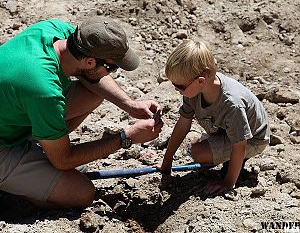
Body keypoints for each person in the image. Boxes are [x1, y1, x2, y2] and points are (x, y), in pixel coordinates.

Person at [0, 16, 163, 209]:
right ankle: (15, 188)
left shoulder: (55, 30)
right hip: (4, 145)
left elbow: (94, 79)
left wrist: (129, 104)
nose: (110, 73)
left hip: (12, 112)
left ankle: (45, 144)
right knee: (81, 193)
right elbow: (63, 160)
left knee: (92, 93)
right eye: (110, 67)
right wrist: (125, 138)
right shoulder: (45, 92)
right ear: (90, 62)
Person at [159, 40, 270, 195]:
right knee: (195, 148)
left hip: (253, 139)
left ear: (200, 81)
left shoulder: (232, 104)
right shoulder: (193, 92)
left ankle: (234, 169)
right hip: (226, 132)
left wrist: (227, 183)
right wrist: (167, 161)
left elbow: (240, 145)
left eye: (180, 86)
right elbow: (183, 124)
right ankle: (228, 159)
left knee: (198, 153)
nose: (176, 90)